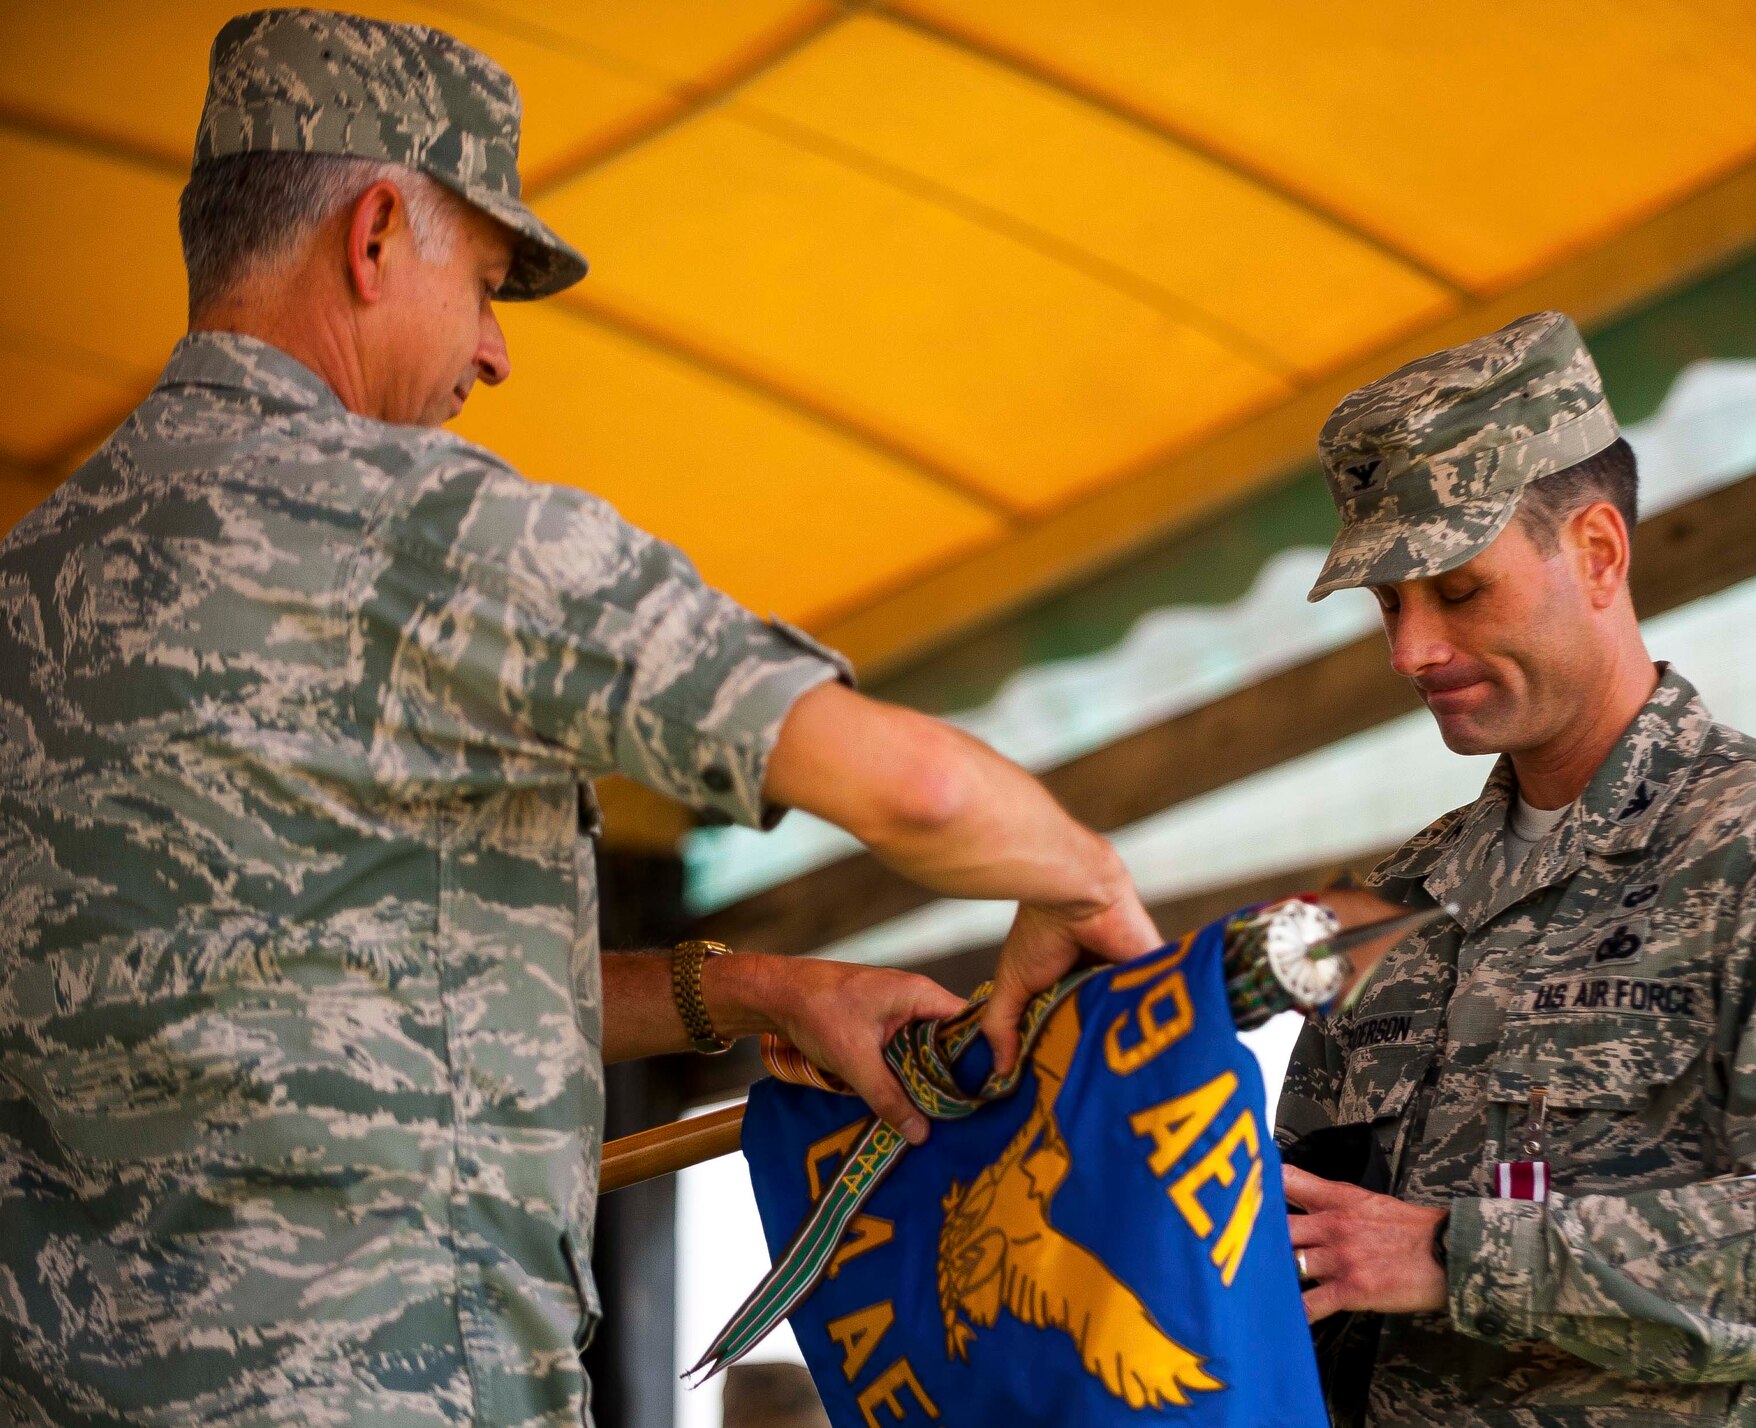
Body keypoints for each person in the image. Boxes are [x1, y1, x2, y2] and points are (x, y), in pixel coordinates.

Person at [0, 10, 1155, 1425]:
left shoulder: (30, 586)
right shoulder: (426, 536)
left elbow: (347, 986)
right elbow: (907, 789)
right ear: (373, 237)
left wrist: (758, 990)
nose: (494, 355)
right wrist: (1085, 883)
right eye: (484, 284)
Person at [1273, 311, 1756, 1427]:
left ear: (1594, 551)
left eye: (1456, 589)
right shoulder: (1394, 899)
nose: (1408, 651)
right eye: (1387, 605)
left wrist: (1460, 1253)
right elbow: (1302, 1242)